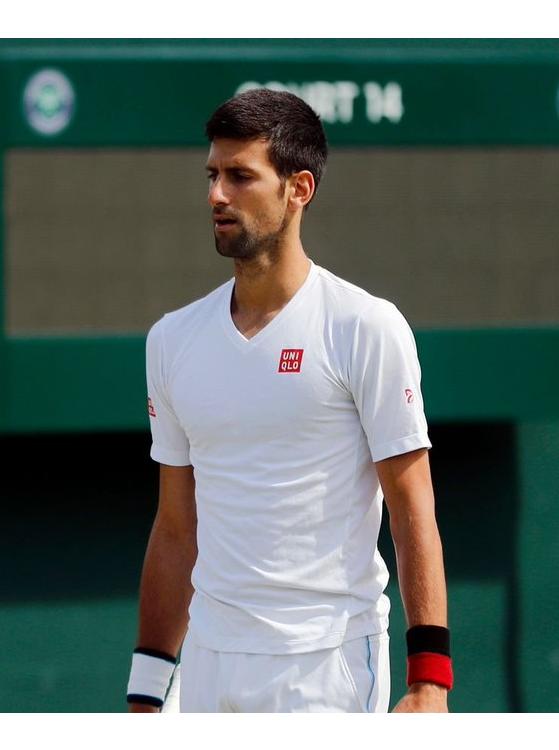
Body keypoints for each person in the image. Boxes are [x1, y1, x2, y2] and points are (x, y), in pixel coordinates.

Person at [126, 90, 449, 713]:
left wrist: (429, 680)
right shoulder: (170, 340)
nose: (217, 194)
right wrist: (147, 689)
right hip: (209, 667)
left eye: (241, 176)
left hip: (326, 669)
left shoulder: (365, 327)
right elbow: (174, 529)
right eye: (213, 175)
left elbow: (414, 512)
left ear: (299, 188)